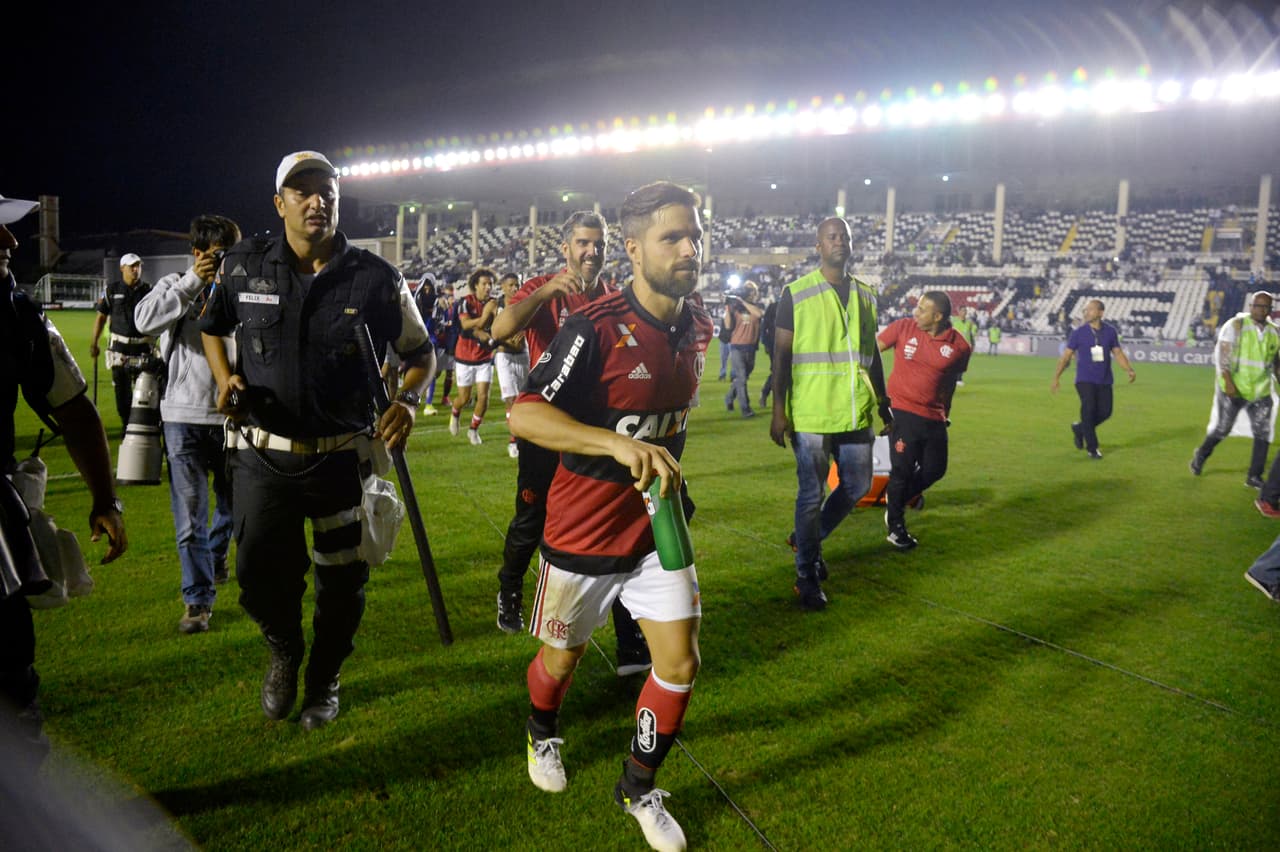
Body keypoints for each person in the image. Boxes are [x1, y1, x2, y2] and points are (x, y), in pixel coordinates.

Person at [199, 151, 434, 730]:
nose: (315, 200)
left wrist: (406, 400)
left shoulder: (377, 278)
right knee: (255, 574)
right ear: (279, 203)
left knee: (341, 582)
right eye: (300, 190)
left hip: (340, 462)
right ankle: (284, 648)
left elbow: (421, 355)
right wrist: (225, 375)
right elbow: (211, 329)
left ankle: (325, 675)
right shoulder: (243, 265)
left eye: (325, 189)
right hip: (263, 460)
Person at [509, 181, 712, 852]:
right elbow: (526, 413)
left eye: (696, 234)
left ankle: (639, 786)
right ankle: (542, 734)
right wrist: (615, 441)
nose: (691, 247)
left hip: (656, 530)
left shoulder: (699, 322)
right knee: (560, 661)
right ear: (633, 249)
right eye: (673, 237)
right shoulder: (593, 326)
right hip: (582, 534)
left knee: (679, 662)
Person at [489, 211, 650, 677]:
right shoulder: (543, 287)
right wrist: (544, 293)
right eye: (583, 243)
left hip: (595, 432)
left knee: (615, 525)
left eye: (598, 244)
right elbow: (501, 331)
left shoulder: (614, 297)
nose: (591, 252)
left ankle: (629, 639)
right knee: (531, 515)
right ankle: (510, 588)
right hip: (546, 428)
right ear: (566, 248)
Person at [1, 192, 127, 771]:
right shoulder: (14, 315)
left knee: (11, 686)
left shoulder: (16, 316)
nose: (9, 243)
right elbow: (76, 411)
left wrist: (105, 498)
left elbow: (76, 411)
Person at [769, 217, 891, 611]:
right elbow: (781, 355)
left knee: (857, 485)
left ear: (852, 245)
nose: (839, 242)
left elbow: (870, 356)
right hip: (812, 415)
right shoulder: (797, 293)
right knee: (811, 494)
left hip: (856, 411)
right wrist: (778, 410)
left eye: (845, 237)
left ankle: (808, 539)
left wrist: (885, 403)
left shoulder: (867, 295)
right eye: (831, 237)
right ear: (818, 245)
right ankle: (806, 574)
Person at [134, 214, 240, 634]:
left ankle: (216, 555)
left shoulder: (240, 288)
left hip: (232, 417)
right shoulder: (175, 284)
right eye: (220, 254)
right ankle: (197, 601)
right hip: (183, 417)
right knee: (190, 517)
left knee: (235, 509)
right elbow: (144, 321)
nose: (227, 262)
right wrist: (192, 282)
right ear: (198, 253)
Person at [876, 291, 970, 550]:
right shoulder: (902, 328)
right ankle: (895, 526)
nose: (915, 313)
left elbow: (949, 384)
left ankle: (896, 499)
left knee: (935, 469)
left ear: (937, 316)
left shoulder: (959, 347)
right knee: (902, 471)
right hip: (902, 411)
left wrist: (946, 414)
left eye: (922, 309)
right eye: (917, 307)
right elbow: (871, 355)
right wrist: (880, 402)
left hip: (934, 416)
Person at [1189, 291, 1280, 487]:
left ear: (1270, 310)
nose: (1261, 310)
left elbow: (1276, 362)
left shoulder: (1275, 332)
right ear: (1251, 307)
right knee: (1223, 428)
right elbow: (1223, 357)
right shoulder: (1236, 326)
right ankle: (1201, 455)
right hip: (1234, 388)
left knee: (1263, 433)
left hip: (1261, 392)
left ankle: (1254, 476)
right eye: (1258, 306)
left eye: (1266, 307)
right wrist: (1228, 381)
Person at [1051, 299, 1136, 460]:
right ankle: (1092, 448)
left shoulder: (1110, 332)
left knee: (1105, 412)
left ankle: (1080, 428)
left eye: (1090, 310)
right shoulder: (1078, 333)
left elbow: (1117, 353)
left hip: (1104, 379)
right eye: (1085, 310)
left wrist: (1129, 369)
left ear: (1100, 313)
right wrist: (1056, 377)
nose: (1086, 312)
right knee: (1088, 409)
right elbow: (1066, 356)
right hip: (1084, 379)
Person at [89, 253, 155, 429]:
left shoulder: (149, 290)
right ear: (122, 268)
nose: (136, 269)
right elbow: (101, 318)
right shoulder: (112, 290)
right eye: (132, 266)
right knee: (122, 394)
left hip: (144, 348)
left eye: (138, 266)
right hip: (119, 350)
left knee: (146, 393)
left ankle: (142, 425)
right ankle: (127, 426)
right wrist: (94, 342)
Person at [451, 268, 498, 444]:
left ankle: (473, 430)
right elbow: (465, 324)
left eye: (490, 284)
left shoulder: (494, 303)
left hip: (484, 357)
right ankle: (455, 413)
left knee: (483, 397)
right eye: (484, 284)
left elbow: (496, 326)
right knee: (464, 398)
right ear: (475, 285)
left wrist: (480, 326)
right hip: (464, 356)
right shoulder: (465, 302)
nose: (488, 287)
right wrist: (484, 318)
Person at [493, 272, 530, 458]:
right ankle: (513, 441)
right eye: (511, 285)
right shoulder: (496, 306)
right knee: (510, 399)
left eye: (518, 284)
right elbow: (489, 330)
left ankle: (524, 437)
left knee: (523, 399)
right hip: (504, 356)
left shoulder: (527, 304)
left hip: (523, 355)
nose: (515, 288)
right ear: (503, 287)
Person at [722, 280, 764, 418]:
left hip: (751, 347)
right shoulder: (735, 308)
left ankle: (729, 398)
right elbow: (728, 326)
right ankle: (746, 409)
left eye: (751, 291)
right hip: (736, 346)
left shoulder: (757, 306)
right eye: (748, 291)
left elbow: (758, 315)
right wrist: (727, 307)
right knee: (741, 377)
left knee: (743, 378)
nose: (750, 293)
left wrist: (742, 301)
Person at [413, 273, 439, 415]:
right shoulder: (415, 300)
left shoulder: (437, 301)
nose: (427, 291)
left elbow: (438, 322)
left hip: (431, 339)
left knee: (433, 372)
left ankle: (428, 404)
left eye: (430, 288)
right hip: (418, 338)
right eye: (425, 288)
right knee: (415, 370)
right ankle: (414, 400)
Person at [431, 282, 457, 410]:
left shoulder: (456, 309)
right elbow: (436, 325)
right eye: (448, 295)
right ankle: (424, 395)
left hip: (451, 346)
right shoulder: (440, 307)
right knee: (435, 373)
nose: (450, 298)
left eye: (452, 295)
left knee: (450, 373)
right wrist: (445, 325)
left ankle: (445, 397)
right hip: (441, 344)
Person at [757, 296, 778, 409]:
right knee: (776, 371)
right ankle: (765, 393)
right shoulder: (773, 307)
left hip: (791, 345)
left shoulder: (795, 305)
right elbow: (764, 326)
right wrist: (765, 343)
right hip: (774, 345)